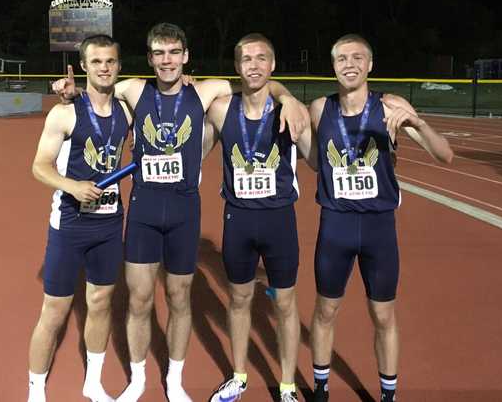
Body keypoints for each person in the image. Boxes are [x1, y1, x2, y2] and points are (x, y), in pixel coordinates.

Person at [53, 22, 308, 402]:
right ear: (150, 58)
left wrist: (286, 96)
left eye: (174, 52)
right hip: (144, 210)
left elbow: (258, 83)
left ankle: (174, 380)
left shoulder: (208, 90)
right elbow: (98, 89)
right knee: (139, 299)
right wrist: (69, 93)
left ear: (186, 56)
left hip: (185, 212)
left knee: (179, 298)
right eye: (158, 53)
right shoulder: (134, 89)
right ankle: (138, 379)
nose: (166, 60)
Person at [296, 34, 454, 402]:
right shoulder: (321, 108)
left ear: (370, 65)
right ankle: (320, 388)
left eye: (357, 58)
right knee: (325, 310)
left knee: (383, 316)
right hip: (335, 225)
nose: (348, 64)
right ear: (332, 65)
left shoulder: (391, 105)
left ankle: (388, 394)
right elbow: (316, 161)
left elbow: (445, 155)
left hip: (378, 226)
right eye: (341, 59)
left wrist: (417, 121)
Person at [27, 35, 133, 402]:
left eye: (111, 61)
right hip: (70, 225)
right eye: (97, 61)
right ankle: (36, 389)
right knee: (55, 310)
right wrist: (71, 185)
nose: (104, 67)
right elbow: (39, 167)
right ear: (85, 66)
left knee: (101, 302)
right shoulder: (65, 112)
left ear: (119, 66)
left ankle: (93, 382)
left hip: (108, 222)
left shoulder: (127, 111)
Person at [204, 34, 306, 402]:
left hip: (279, 218)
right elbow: (194, 147)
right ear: (237, 67)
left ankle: (288, 386)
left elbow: (314, 155)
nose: (254, 65)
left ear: (272, 65)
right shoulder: (220, 109)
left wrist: (292, 102)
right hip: (238, 219)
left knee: (285, 303)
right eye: (246, 59)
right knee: (238, 300)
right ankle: (239, 376)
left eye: (262, 58)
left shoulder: (288, 109)